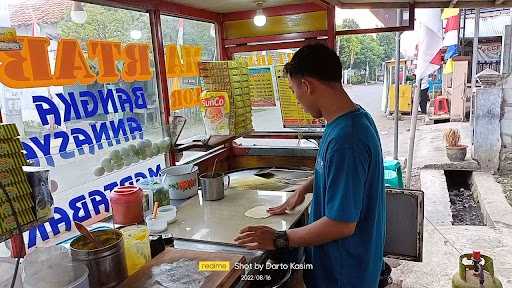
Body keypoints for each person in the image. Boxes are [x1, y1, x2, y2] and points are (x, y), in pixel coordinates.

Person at [234, 43, 386, 288]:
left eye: (295, 91)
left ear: (306, 85)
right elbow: (338, 174)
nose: (298, 100)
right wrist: (303, 189)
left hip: (344, 273)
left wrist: (279, 239)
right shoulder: (352, 118)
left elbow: (342, 224)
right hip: (344, 265)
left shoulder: (347, 139)